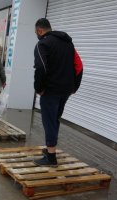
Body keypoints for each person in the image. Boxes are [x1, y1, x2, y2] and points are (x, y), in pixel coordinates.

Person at [33, 18, 83, 166]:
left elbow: (41, 68)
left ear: (40, 30)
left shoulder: (42, 44)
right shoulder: (68, 43)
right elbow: (79, 66)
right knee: (55, 119)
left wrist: (39, 88)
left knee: (49, 120)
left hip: (50, 90)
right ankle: (50, 149)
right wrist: (74, 86)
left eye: (36, 32)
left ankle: (51, 157)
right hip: (65, 90)